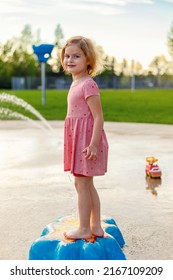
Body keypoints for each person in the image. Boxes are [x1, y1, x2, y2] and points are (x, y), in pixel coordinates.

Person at [61, 35, 108, 240]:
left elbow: (98, 117)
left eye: (76, 56)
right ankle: (95, 225)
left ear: (88, 59)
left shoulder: (88, 84)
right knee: (86, 184)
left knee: (82, 184)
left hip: (88, 142)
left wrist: (94, 145)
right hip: (80, 139)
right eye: (67, 56)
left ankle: (83, 228)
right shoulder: (76, 83)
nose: (70, 60)